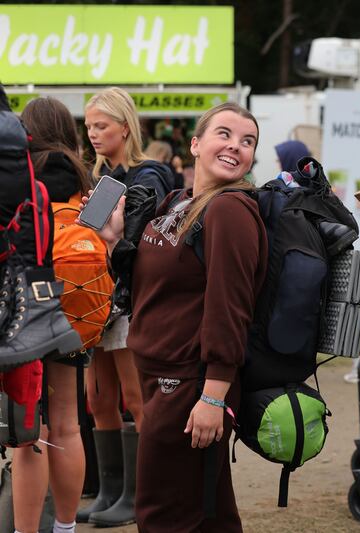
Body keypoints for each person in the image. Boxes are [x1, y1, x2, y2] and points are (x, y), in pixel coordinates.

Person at [86, 102, 267, 531]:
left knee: (162, 513)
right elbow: (151, 286)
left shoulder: (230, 210)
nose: (235, 146)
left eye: (247, 141)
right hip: (161, 377)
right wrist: (113, 243)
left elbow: (231, 306)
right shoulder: (177, 201)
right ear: (196, 143)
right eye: (224, 134)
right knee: (207, 513)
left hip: (190, 384)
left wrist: (213, 396)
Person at [78, 87, 173, 526]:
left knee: (135, 398)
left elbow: (136, 239)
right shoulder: (100, 176)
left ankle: (139, 495)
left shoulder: (146, 174)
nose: (93, 133)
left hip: (130, 298)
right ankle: (113, 492)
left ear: (125, 126)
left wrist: (104, 229)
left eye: (101, 125)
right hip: (100, 299)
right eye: (89, 126)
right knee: (98, 399)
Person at [7, 97, 91, 533]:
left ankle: (25, 530)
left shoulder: (20, 171)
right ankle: (66, 526)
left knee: (29, 432)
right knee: (68, 425)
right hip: (74, 307)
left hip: (27, 307)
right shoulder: (83, 173)